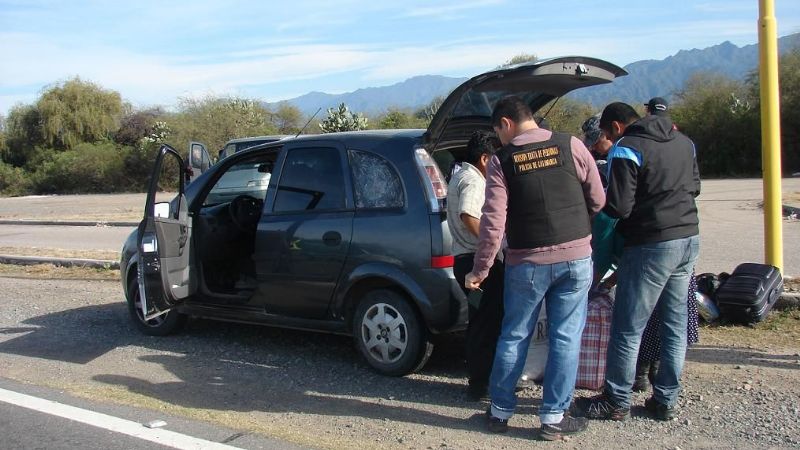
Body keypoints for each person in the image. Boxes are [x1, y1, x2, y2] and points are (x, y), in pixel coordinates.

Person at [465, 96, 605, 441]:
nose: (499, 140)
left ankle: (499, 413)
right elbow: (599, 199)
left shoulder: (502, 160)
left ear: (506, 123)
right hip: (575, 259)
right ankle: (554, 418)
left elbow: (493, 221)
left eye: (498, 132)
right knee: (566, 337)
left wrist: (480, 268)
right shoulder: (571, 144)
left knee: (514, 334)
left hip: (526, 264)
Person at [579, 102, 700, 422]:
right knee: (673, 325)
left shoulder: (626, 148)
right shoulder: (684, 142)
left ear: (616, 127)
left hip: (650, 245)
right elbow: (696, 187)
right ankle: (665, 400)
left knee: (628, 326)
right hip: (688, 238)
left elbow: (618, 206)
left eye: (605, 132)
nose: (606, 137)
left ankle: (616, 400)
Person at [447, 130, 505, 401]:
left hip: (464, 259)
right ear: (484, 158)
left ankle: (480, 380)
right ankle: (481, 385)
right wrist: (490, 242)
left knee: (480, 321)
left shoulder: (460, 175)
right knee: (486, 323)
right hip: (475, 261)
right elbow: (469, 215)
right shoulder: (473, 180)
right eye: (495, 158)